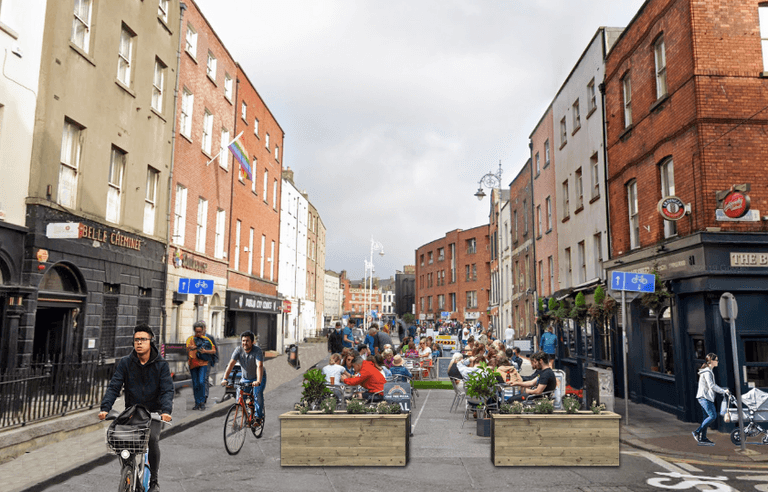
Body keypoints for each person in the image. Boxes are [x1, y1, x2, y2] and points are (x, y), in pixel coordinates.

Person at [100, 324, 172, 492]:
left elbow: (167, 390)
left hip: (154, 414)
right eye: (136, 340)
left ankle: (154, 480)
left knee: (153, 439)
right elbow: (114, 386)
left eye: (143, 339)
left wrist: (166, 411)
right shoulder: (126, 363)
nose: (139, 343)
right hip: (133, 413)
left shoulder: (161, 365)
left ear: (150, 341)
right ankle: (129, 472)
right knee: (121, 441)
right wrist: (105, 408)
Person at [220, 331, 267, 422]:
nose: (244, 343)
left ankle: (258, 417)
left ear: (252, 342)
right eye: (243, 341)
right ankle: (242, 417)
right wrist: (225, 378)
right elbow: (231, 364)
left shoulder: (257, 351)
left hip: (258, 377)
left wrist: (258, 381)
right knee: (239, 399)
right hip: (245, 378)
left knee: (257, 395)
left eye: (247, 341)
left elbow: (259, 366)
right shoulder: (238, 350)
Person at [693, 353, 727, 446]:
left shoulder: (708, 371)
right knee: (713, 416)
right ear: (711, 361)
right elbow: (711, 385)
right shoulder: (707, 372)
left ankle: (703, 438)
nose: (717, 361)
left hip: (704, 397)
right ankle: (697, 432)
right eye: (716, 360)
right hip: (705, 397)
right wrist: (722, 391)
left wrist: (721, 389)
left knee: (706, 418)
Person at [186, 321, 216, 411]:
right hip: (193, 364)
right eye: (196, 331)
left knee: (201, 382)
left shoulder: (207, 340)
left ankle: (202, 402)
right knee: (195, 384)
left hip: (203, 363)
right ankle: (197, 403)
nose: (198, 333)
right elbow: (187, 348)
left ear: (203, 331)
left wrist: (205, 351)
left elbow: (214, 350)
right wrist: (194, 347)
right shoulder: (190, 339)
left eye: (200, 331)